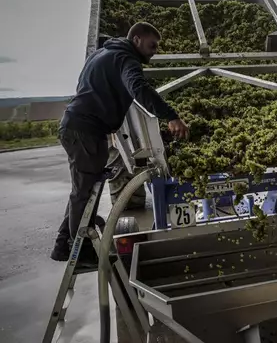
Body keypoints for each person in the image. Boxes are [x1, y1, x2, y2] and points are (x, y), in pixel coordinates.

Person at [50, 22, 189, 265]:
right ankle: (80, 250)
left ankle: (64, 246)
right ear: (136, 40)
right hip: (85, 131)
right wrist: (171, 116)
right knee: (83, 193)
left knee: (84, 189)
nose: (154, 51)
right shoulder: (126, 58)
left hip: (79, 127)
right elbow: (138, 88)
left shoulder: (103, 53)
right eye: (152, 45)